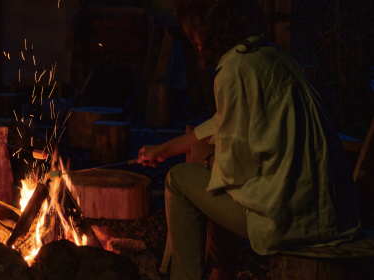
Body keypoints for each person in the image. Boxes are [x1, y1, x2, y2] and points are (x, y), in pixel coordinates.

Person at [136, 1, 361, 279]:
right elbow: (223, 121)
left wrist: (208, 161)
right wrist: (165, 149)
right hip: (329, 212)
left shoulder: (234, 71)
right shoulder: (271, 57)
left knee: (178, 180)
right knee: (202, 160)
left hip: (288, 219)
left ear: (207, 30)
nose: (191, 38)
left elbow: (234, 169)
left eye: (192, 30)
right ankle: (220, 271)